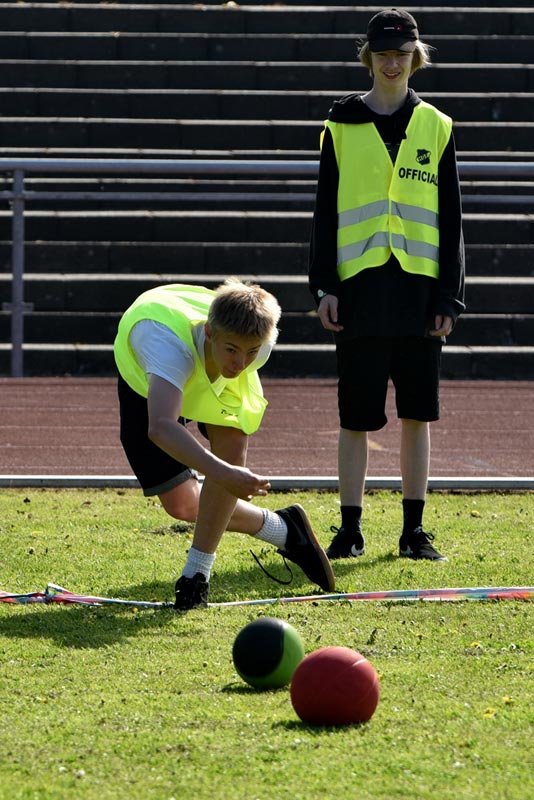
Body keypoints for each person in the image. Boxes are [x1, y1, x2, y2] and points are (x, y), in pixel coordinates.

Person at [308, 9, 465, 562]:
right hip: (359, 291)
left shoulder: (438, 126)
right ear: (369, 58)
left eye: (402, 54)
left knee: (417, 415)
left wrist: (450, 295)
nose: (393, 62)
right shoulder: (341, 124)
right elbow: (324, 211)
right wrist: (323, 284)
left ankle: (413, 530)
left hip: (420, 296)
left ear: (416, 58)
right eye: (383, 53)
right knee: (356, 417)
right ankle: (349, 530)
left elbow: (452, 220)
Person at [114, 279, 335, 610]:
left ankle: (196, 577)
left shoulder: (254, 348)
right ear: (210, 333)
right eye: (232, 350)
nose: (240, 364)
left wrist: (227, 470)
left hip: (205, 358)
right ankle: (284, 530)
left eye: (251, 352)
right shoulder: (165, 348)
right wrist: (226, 474)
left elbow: (240, 358)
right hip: (147, 381)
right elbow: (161, 427)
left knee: (232, 440)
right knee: (184, 506)